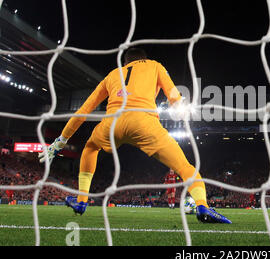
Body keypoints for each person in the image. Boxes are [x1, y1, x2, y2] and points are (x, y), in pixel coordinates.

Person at [38, 48, 231, 224]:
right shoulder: (155, 65)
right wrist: (179, 107)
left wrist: (60, 142)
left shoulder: (113, 74)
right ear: (144, 59)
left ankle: (81, 201)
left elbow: (84, 110)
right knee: (184, 166)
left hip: (112, 123)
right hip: (143, 121)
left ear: (126, 63)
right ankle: (202, 206)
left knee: (90, 148)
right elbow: (172, 93)